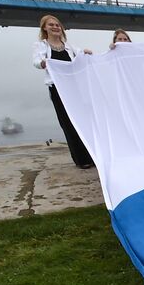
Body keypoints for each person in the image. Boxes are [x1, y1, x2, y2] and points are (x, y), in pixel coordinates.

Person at [30, 14, 94, 169]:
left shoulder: (69, 46)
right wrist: (44, 63)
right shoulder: (42, 46)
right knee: (67, 123)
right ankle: (81, 159)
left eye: (57, 25)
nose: (55, 27)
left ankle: (91, 155)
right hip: (58, 89)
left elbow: (79, 57)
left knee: (82, 120)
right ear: (44, 28)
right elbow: (36, 62)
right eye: (51, 25)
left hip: (73, 88)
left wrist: (86, 53)